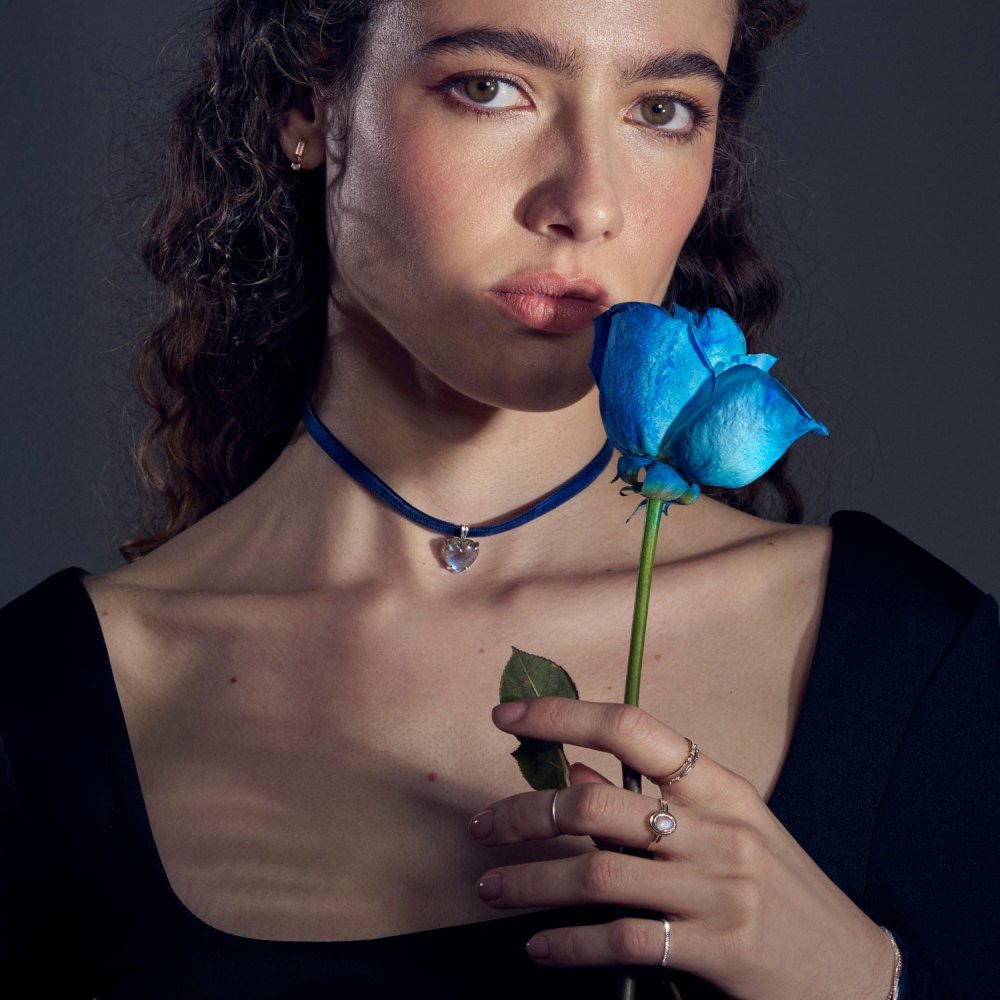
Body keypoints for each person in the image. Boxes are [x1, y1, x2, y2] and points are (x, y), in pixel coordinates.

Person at [1, 1, 996, 997]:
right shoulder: (42, 704)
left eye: (661, 109)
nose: (589, 204)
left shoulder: (910, 659)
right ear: (305, 104)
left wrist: (870, 980)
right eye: (488, 88)